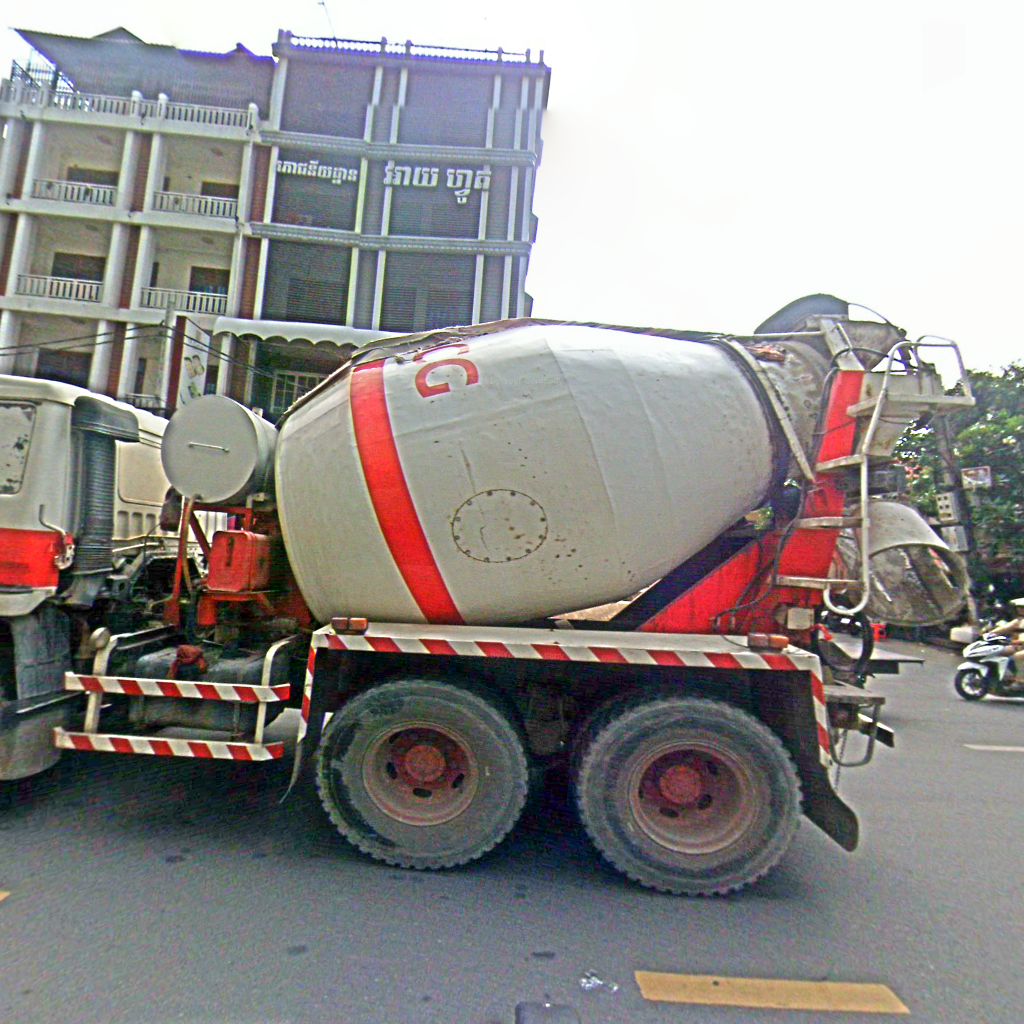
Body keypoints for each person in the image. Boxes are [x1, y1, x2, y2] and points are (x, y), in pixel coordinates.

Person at [994, 598, 1024, 677]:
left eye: (1022, 607)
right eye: (1019, 607)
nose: (1020, 610)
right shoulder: (1019, 620)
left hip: (1020, 646)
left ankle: (1019, 679)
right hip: (1017, 646)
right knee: (996, 652)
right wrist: (989, 634)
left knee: (1014, 658)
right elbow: (1004, 628)